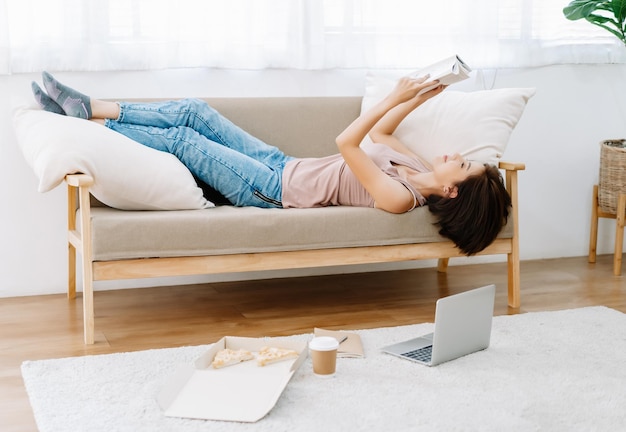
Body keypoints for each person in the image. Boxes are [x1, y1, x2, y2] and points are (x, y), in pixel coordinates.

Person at [31, 71, 511, 256]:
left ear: (452, 192)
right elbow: (382, 134)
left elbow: (349, 143)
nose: (456, 156)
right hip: (279, 162)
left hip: (269, 190)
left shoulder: (399, 197)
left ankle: (96, 130)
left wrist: (389, 96)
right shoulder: (415, 165)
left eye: (463, 166)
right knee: (195, 109)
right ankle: (90, 107)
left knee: (181, 139)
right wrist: (422, 96)